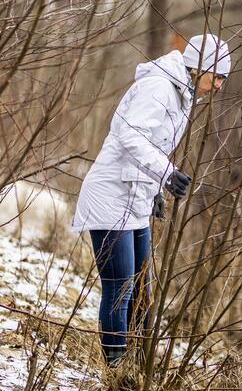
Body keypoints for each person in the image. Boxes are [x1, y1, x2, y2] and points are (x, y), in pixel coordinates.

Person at [71, 34, 231, 365]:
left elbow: (151, 146)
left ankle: (139, 367)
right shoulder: (159, 87)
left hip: (136, 195)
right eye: (216, 76)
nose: (218, 86)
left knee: (144, 287)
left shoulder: (180, 94)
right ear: (199, 67)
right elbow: (131, 135)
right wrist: (167, 174)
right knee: (121, 288)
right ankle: (116, 372)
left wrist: (155, 190)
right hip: (111, 195)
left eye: (223, 80)